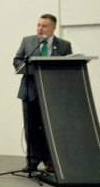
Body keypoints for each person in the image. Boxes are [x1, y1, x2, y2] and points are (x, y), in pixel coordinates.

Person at [13, 14, 72, 173]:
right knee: (31, 129)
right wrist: (29, 64)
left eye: (44, 26)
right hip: (30, 91)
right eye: (38, 25)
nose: (40, 29)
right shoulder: (28, 41)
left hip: (53, 94)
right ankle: (32, 162)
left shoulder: (64, 46)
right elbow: (17, 60)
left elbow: (68, 67)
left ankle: (50, 161)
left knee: (49, 129)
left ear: (53, 28)